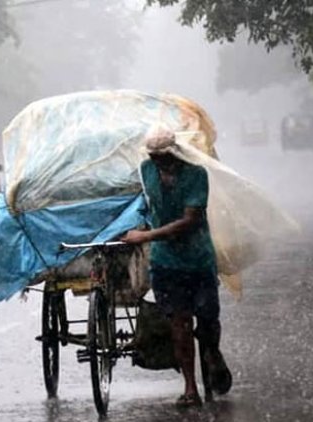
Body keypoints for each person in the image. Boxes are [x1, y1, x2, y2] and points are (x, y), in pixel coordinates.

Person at [122, 130, 231, 409]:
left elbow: (189, 221)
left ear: (175, 152)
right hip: (166, 264)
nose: (160, 162)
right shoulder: (146, 171)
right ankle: (190, 387)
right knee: (179, 326)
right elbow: (141, 203)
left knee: (207, 322)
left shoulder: (196, 175)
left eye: (164, 156)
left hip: (197, 261)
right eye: (155, 157)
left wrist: (145, 236)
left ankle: (213, 353)